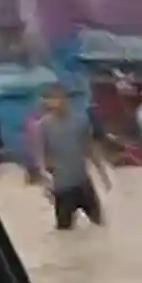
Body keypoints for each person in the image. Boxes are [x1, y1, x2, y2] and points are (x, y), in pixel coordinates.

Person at [36, 84, 111, 230]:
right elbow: (43, 156)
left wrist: (103, 174)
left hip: (83, 183)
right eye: (49, 101)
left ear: (64, 99)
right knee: (64, 233)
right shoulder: (45, 125)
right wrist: (46, 183)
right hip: (62, 188)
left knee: (100, 226)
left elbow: (90, 149)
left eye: (55, 99)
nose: (52, 104)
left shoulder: (80, 121)